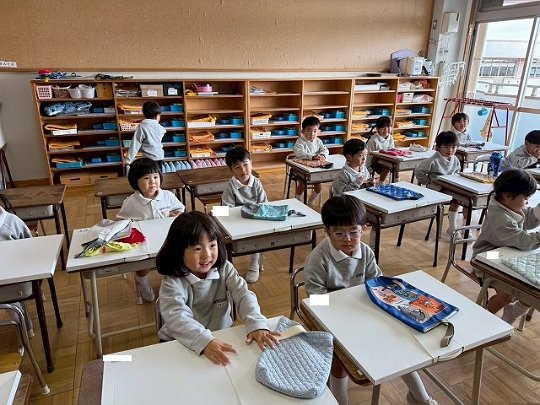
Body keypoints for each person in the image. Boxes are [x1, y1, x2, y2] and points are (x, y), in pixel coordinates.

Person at [304, 195, 437, 405]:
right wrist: (343, 305)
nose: (347, 239)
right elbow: (315, 299)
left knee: (399, 346)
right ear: (326, 231)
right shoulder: (317, 258)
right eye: (339, 233)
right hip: (331, 317)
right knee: (340, 360)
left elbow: (376, 284)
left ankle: (421, 398)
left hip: (363, 312)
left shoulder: (366, 252)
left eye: (354, 232)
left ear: (364, 229)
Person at [156, 211, 279, 365]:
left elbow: (243, 295)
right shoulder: (172, 282)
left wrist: (256, 323)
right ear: (178, 251)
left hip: (220, 336)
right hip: (180, 341)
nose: (207, 255)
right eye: (197, 249)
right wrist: (204, 340)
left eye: (212, 245)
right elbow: (177, 318)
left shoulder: (224, 268)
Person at [473, 169, 537, 325]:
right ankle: (482, 321)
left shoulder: (509, 206)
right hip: (487, 256)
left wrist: (538, 211)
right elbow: (523, 241)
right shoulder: (499, 217)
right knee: (507, 295)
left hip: (508, 254)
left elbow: (527, 218)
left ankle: (511, 314)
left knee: (531, 290)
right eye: (526, 198)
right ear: (508, 196)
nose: (527, 202)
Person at [117, 157, 185, 302]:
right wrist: (132, 226)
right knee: (142, 262)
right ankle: (142, 281)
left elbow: (180, 209)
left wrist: (177, 214)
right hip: (144, 242)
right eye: (146, 178)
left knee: (178, 257)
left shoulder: (168, 196)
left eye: (155, 177)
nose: (152, 182)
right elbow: (121, 221)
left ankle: (174, 284)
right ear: (135, 181)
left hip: (167, 238)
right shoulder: (131, 203)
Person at [221, 146, 267, 283]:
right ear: (231, 170)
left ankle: (254, 264)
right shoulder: (230, 187)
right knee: (215, 219)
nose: (243, 170)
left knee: (257, 235)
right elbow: (227, 210)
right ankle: (228, 268)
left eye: (246, 165)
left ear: (251, 163)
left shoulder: (256, 183)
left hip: (254, 220)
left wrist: (256, 212)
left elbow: (264, 204)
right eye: (237, 167)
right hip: (236, 220)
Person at [414, 131, 463, 237]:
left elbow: (457, 172)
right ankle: (453, 228)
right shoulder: (433, 160)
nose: (450, 150)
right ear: (438, 147)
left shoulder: (455, 160)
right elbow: (418, 171)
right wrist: (427, 181)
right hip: (436, 189)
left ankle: (453, 227)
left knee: (460, 199)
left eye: (453, 147)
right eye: (446, 147)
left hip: (449, 187)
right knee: (458, 198)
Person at [0, 196, 34, 336]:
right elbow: (32, 248)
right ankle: (25, 328)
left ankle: (24, 326)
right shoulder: (11, 222)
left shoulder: (11, 222)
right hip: (13, 288)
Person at [293, 116, 329, 204]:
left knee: (318, 186)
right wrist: (312, 157)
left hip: (315, 169)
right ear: (303, 131)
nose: (312, 134)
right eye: (309, 131)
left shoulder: (318, 141)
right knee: (302, 184)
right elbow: (299, 153)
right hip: (300, 169)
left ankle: (312, 199)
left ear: (318, 131)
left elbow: (325, 150)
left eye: (315, 131)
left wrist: (322, 155)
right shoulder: (300, 141)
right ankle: (298, 200)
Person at [125, 101, 166, 165]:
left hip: (148, 159)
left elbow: (135, 144)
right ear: (157, 116)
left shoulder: (142, 126)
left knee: (148, 171)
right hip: (160, 157)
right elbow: (163, 131)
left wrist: (128, 160)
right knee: (158, 171)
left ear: (144, 114)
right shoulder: (160, 127)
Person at [366, 116, 395, 183]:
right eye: (383, 127)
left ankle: (396, 183)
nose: (386, 130)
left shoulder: (390, 138)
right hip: (375, 163)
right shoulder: (373, 140)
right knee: (388, 166)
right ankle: (380, 183)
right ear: (377, 128)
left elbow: (392, 151)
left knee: (396, 167)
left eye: (388, 127)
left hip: (387, 160)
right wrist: (369, 172)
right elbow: (368, 158)